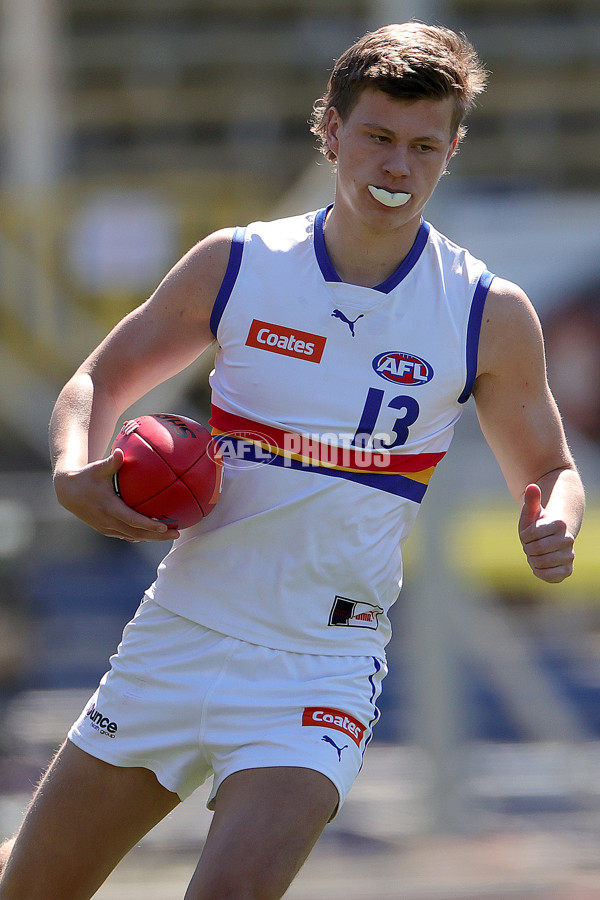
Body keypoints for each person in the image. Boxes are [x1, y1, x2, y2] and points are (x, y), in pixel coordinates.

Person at [0, 22, 585, 900]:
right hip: (182, 631)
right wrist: (71, 468)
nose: (397, 167)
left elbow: (551, 467)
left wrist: (553, 520)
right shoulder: (239, 263)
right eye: (379, 138)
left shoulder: (486, 312)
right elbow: (102, 377)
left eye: (424, 147)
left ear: (451, 150)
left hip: (322, 664)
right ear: (331, 131)